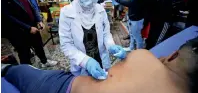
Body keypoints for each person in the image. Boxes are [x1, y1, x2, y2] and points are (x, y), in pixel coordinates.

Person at [2, 37, 198, 93]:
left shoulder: (144, 57)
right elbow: (66, 44)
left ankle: (6, 69)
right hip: (81, 65)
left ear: (172, 56)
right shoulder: (69, 13)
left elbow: (106, 36)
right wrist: (85, 59)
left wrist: (113, 47)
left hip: (64, 86)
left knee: (22, 72)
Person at [59, 0, 126, 79]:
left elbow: (106, 34)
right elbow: (66, 45)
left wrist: (111, 46)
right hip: (81, 65)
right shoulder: (66, 13)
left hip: (102, 61)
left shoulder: (100, 10)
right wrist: (86, 61)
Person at [1, 0, 57, 67]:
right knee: (24, 53)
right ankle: (28, 72)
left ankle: (44, 62)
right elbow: (6, 17)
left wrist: (39, 20)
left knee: (39, 46)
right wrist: (27, 28)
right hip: (19, 32)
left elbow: (32, 5)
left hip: (33, 27)